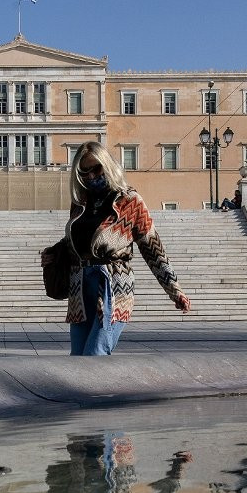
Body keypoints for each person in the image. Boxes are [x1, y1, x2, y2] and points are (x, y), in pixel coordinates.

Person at [42, 142, 191, 355]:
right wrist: (54, 252)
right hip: (80, 288)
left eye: (96, 168)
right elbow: (75, 242)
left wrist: (175, 290)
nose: (91, 176)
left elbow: (153, 248)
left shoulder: (129, 201)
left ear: (108, 164)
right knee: (77, 360)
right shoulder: (80, 203)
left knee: (95, 354)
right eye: (84, 171)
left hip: (112, 284)